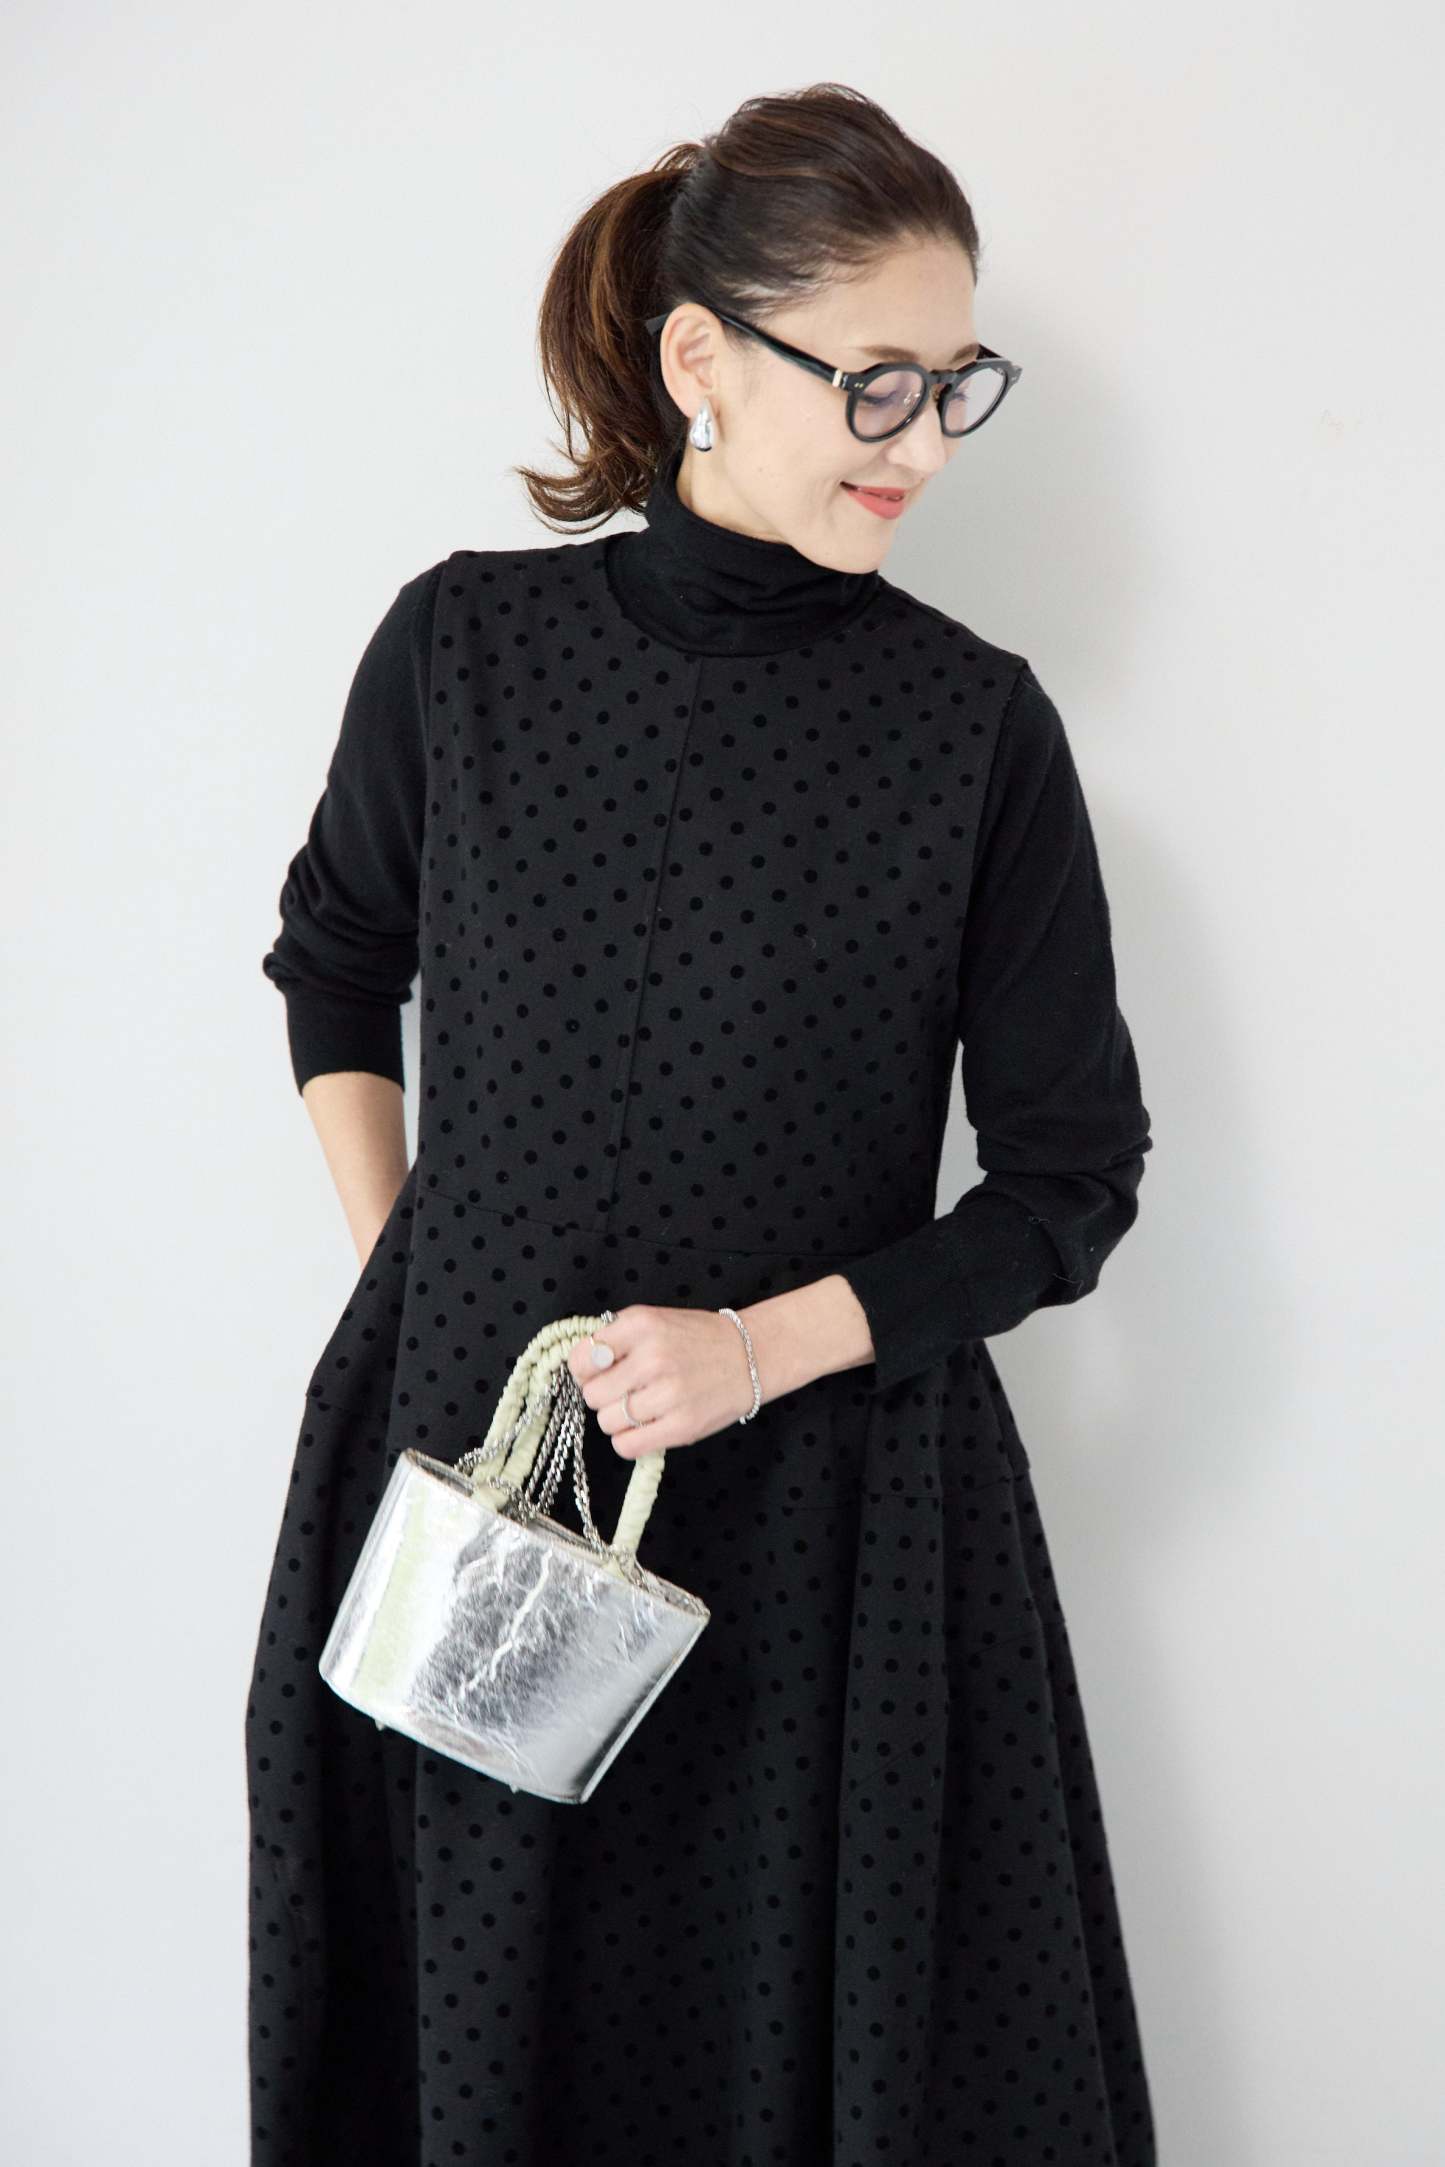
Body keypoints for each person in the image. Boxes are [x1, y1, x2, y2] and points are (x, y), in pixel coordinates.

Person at [247, 81, 1157, 2167]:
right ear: (697, 360)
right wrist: (417, 1283)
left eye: (956, 385)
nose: (926, 444)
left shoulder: (976, 729)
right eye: (877, 382)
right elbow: (332, 965)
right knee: (478, 2050)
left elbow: (1069, 1184)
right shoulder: (463, 647)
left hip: (837, 1530)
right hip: (483, 1499)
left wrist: (759, 1350)